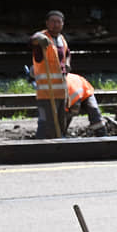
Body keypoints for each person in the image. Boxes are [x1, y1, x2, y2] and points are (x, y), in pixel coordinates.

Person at [30, 10, 71, 138]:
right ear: (47, 23)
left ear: (63, 24)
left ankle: (58, 150)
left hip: (61, 92)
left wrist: (68, 64)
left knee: (60, 123)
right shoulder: (43, 37)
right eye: (52, 21)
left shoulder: (62, 39)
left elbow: (68, 53)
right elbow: (33, 39)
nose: (55, 24)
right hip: (46, 93)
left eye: (58, 22)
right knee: (46, 124)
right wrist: (39, 38)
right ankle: (41, 150)